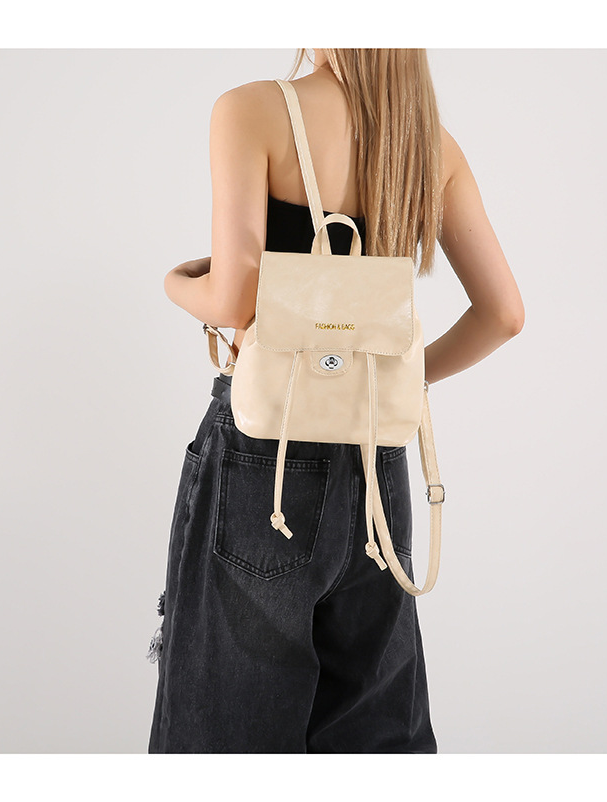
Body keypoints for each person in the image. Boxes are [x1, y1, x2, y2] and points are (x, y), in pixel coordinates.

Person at [147, 48, 524, 754]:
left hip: (264, 454)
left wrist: (176, 281)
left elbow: (232, 299)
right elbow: (503, 314)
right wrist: (390, 382)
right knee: (373, 730)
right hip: (376, 463)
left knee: (226, 724)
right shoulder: (428, 145)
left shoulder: (252, 110)